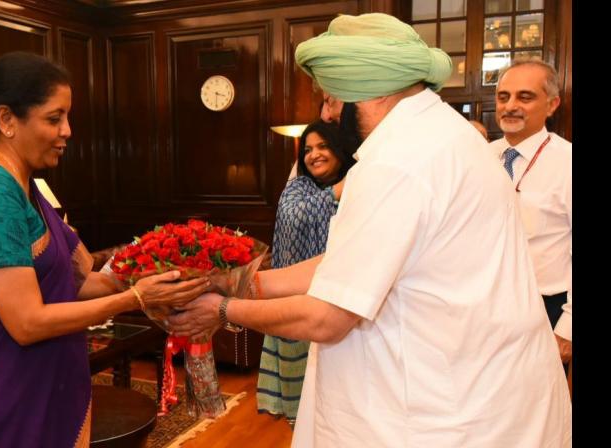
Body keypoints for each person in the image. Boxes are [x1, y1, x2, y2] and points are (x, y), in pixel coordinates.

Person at [169, 13, 571, 447]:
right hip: (489, 390)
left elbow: (328, 318)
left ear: (362, 93)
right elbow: (352, 259)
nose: (324, 114)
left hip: (439, 411)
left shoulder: (396, 162)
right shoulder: (447, 133)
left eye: (328, 100)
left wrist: (222, 309)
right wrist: (242, 282)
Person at [0, 52, 209, 447]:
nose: (68, 131)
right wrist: (137, 298)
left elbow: (83, 282)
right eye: (54, 118)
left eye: (67, 118)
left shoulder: (23, 185)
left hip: (6, 392)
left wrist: (162, 266)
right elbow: (26, 323)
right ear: (7, 120)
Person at [257, 120, 358, 427]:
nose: (314, 155)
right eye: (309, 149)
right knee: (299, 399)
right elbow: (293, 215)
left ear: (340, 149)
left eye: (323, 146)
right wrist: (339, 191)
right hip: (299, 300)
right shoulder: (299, 187)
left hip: (344, 302)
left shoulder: (362, 187)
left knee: (338, 397)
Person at [489, 58, 572, 366]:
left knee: (538, 409)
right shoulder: (482, 156)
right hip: (485, 304)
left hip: (545, 308)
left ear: (552, 105)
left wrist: (567, 329)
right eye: (503, 96)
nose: (510, 106)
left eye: (525, 97)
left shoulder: (567, 163)